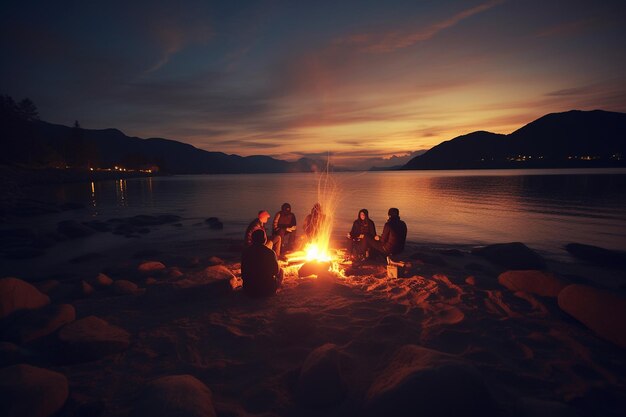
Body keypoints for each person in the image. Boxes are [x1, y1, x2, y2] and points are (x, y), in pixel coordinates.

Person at [241, 229, 283, 297]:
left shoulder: (246, 252)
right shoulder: (270, 252)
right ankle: (276, 289)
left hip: (249, 290)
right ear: (264, 239)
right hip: (266, 290)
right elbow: (275, 271)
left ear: (252, 239)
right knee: (281, 271)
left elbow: (243, 273)